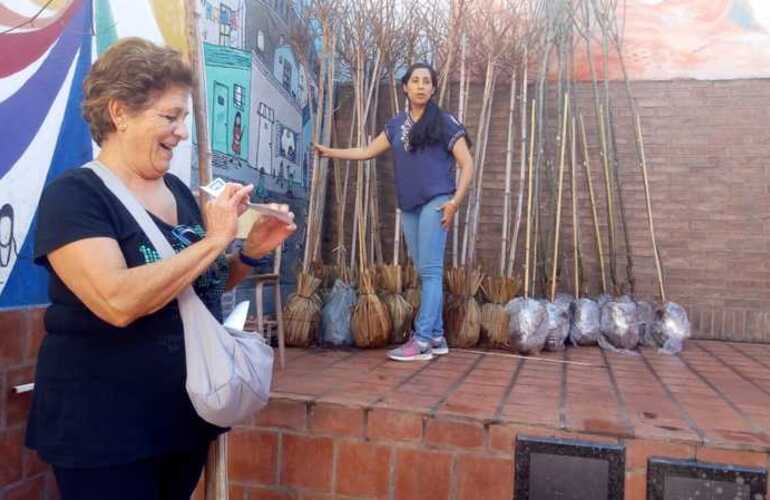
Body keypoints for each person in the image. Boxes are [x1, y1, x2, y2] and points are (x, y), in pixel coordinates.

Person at [25, 38, 295, 500]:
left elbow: (196, 287)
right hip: (106, 432)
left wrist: (246, 253)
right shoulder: (75, 197)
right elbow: (117, 301)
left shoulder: (178, 192)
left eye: (184, 118)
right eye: (170, 117)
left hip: (181, 420)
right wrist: (212, 239)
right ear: (120, 113)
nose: (182, 132)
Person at [315, 63, 474, 362]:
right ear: (405, 87)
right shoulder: (395, 124)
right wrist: (330, 152)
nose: (421, 86)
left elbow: (468, 164)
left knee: (430, 271)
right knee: (424, 270)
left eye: (427, 81)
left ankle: (423, 338)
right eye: (415, 81)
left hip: (437, 201)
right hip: (409, 206)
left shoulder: (445, 123)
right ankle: (438, 336)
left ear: (434, 88)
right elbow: (366, 152)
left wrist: (455, 202)